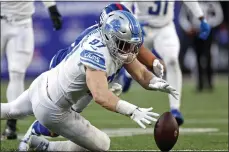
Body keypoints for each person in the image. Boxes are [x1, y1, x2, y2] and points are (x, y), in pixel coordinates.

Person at [1, 10, 178, 151]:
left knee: (11, 109)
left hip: (43, 82)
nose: (130, 50)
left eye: (132, 45)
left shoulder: (109, 39)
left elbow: (140, 73)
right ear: (111, 38)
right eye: (125, 45)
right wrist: (132, 110)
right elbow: (101, 95)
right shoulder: (98, 55)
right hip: (52, 108)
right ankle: (44, 145)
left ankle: (35, 138)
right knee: (103, 144)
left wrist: (158, 83)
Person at [120, 1, 211, 126]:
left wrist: (201, 17)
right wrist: (133, 23)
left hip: (164, 28)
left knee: (173, 61)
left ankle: (175, 109)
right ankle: (128, 75)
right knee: (130, 58)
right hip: (141, 26)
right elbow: (124, 6)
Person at [0, 1, 62, 140]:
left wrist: (51, 7)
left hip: (22, 24)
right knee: (17, 72)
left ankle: (11, 124)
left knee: (17, 72)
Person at [179, 1, 224, 92]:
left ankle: (210, 83)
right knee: (198, 57)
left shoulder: (212, 2)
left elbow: (219, 16)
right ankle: (200, 84)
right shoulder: (189, 3)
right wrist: (188, 27)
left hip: (208, 32)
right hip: (195, 32)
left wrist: (209, 24)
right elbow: (182, 17)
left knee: (208, 56)